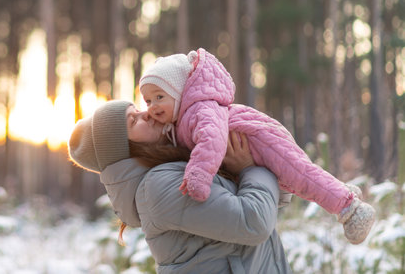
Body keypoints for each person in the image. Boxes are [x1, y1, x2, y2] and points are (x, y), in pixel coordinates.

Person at [138, 48, 375, 245]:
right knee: (300, 179)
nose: (152, 106)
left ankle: (350, 208)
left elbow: (212, 140)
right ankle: (342, 192)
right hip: (251, 144)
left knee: (301, 175)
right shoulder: (182, 119)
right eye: (148, 101)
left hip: (259, 138)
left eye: (160, 97)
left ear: (179, 92)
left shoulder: (200, 108)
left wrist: (198, 174)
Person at [68, 100, 293, 273]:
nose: (145, 113)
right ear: (124, 151)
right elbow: (254, 221)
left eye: (136, 109)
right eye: (133, 121)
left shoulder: (175, 166)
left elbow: (260, 204)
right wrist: (250, 168)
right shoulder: (157, 187)